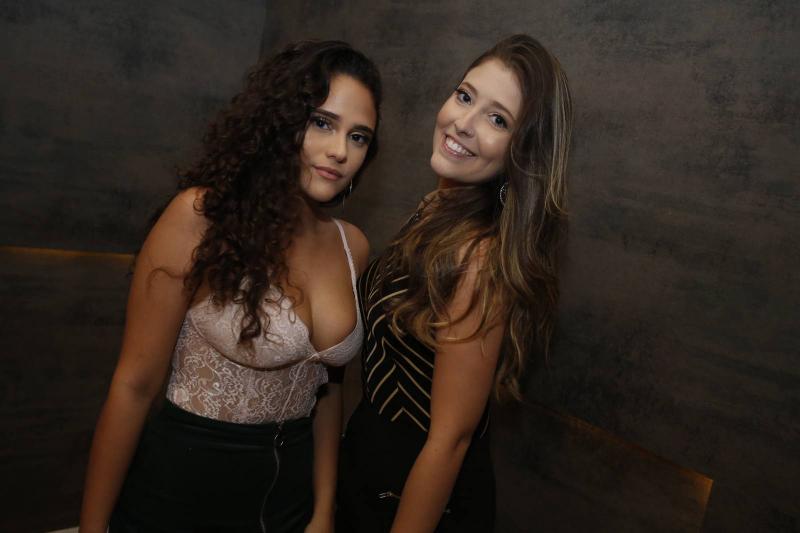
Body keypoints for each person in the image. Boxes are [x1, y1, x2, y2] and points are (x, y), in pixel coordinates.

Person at [79, 40, 381, 533]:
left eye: (359, 136)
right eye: (322, 123)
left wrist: (323, 509)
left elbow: (327, 389)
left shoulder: (353, 246)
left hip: (290, 499)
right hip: (183, 490)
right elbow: (134, 386)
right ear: (281, 121)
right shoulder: (201, 219)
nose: (340, 151)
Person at [336, 34, 573, 532]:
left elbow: (451, 441)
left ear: (522, 152)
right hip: (369, 465)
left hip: (414, 495)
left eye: (497, 120)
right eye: (465, 96)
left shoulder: (480, 258)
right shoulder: (436, 209)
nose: (463, 122)